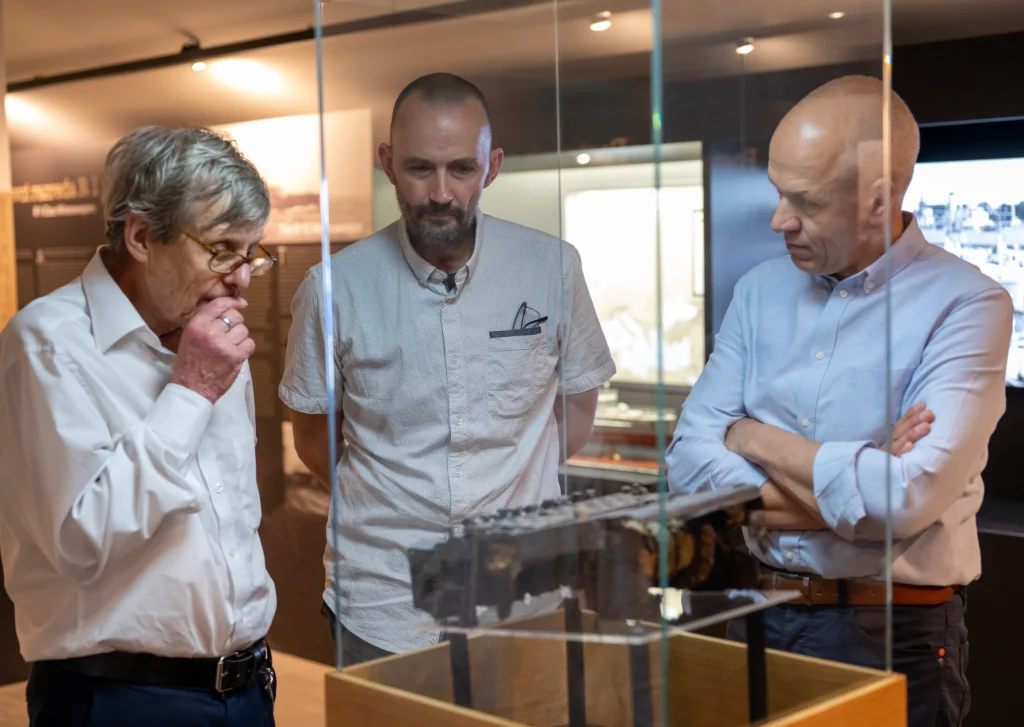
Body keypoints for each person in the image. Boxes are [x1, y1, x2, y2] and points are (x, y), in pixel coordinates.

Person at [667, 75, 1012, 727]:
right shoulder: (758, 290)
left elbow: (902, 501)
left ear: (880, 200)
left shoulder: (968, 304)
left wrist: (750, 436)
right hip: (755, 612)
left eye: (805, 200)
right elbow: (686, 467)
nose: (777, 220)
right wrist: (861, 471)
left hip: (888, 632)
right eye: (777, 191)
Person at [280, 72, 616, 666]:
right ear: (387, 163)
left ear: (491, 167)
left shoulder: (552, 267)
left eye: (461, 168)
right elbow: (313, 439)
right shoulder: (334, 288)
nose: (440, 191)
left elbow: (576, 418)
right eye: (419, 168)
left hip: (520, 595)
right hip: (384, 598)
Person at [0, 126, 279, 727]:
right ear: (143, 236)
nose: (243, 278)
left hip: (248, 687)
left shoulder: (213, 340)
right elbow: (81, 542)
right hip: (119, 699)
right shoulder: (48, 345)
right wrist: (191, 391)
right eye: (223, 249)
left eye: (252, 251)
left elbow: (232, 520)